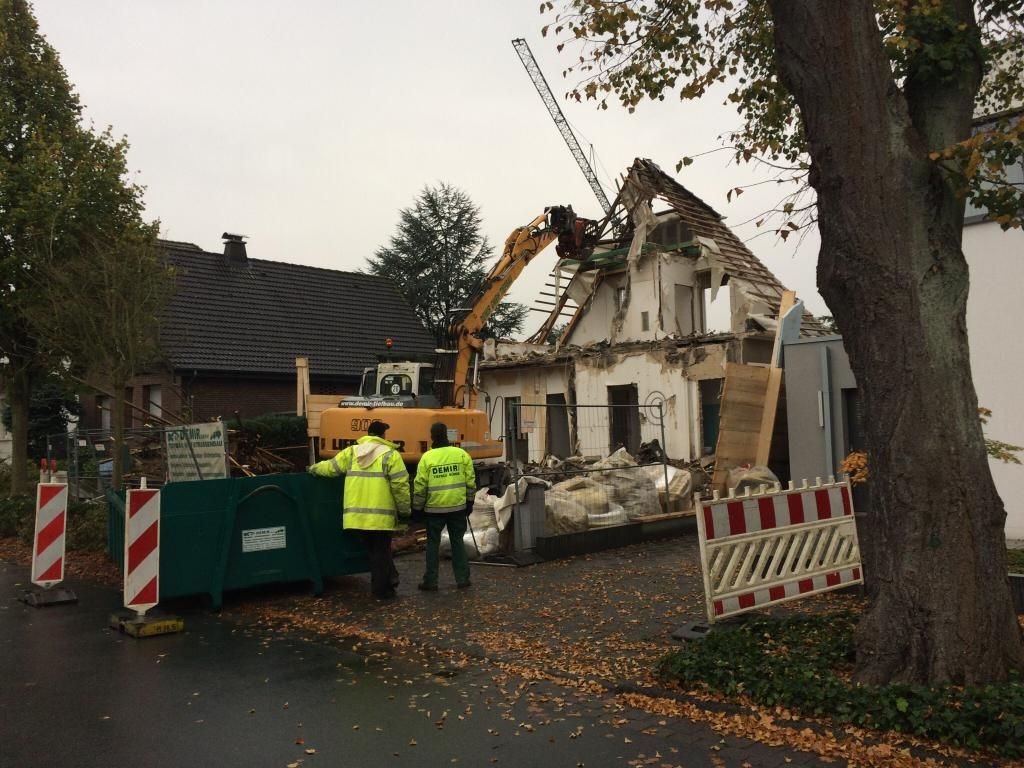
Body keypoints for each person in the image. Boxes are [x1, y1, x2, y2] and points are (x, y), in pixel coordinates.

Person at [308, 420, 410, 599]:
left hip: (356, 517)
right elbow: (400, 486)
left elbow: (331, 468)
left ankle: (390, 580)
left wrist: (313, 468)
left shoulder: (351, 452)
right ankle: (381, 590)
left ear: (368, 434)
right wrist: (405, 510)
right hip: (381, 518)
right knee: (380, 552)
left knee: (375, 552)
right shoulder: (390, 455)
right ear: (383, 435)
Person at [413, 422, 476, 591]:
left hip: (434, 509)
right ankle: (462, 579)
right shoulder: (461, 455)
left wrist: (417, 508)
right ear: (447, 435)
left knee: (432, 545)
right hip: (457, 507)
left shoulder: (427, 458)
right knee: (457, 542)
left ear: (432, 436)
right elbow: (470, 481)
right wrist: (470, 502)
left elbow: (420, 486)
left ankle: (431, 581)